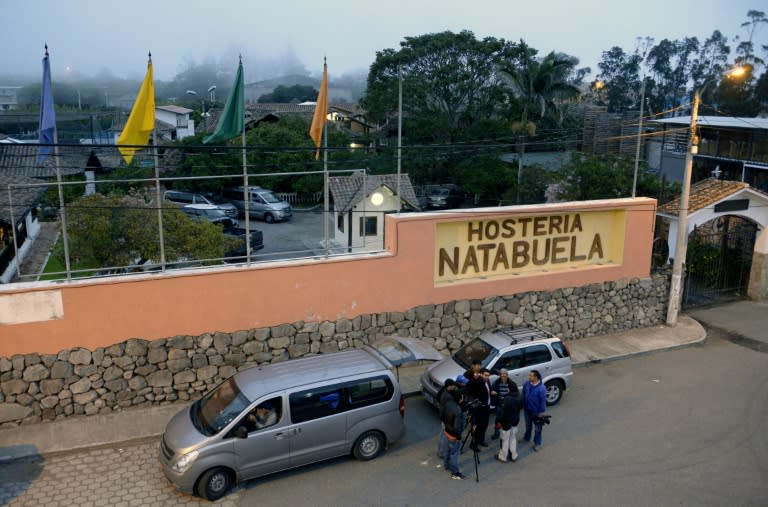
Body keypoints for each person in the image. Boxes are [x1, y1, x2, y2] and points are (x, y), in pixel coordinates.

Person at [441, 387, 467, 480]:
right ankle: (455, 472)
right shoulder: (458, 411)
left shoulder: (448, 404)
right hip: (453, 436)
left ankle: (446, 465)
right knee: (454, 454)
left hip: (446, 432)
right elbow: (457, 427)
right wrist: (458, 437)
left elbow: (442, 416)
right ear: (460, 398)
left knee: (446, 451)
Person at [495, 381, 521, 462]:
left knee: (505, 439)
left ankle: (503, 457)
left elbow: (502, 412)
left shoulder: (507, 398)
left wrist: (498, 421)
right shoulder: (520, 396)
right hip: (515, 420)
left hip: (506, 423)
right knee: (512, 438)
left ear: (509, 389)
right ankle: (513, 455)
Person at [522, 370, 547, 451]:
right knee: (528, 425)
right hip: (527, 409)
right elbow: (523, 393)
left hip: (536, 412)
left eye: (531, 376)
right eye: (529, 375)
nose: (529, 377)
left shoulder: (542, 388)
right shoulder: (527, 383)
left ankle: (537, 443)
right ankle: (526, 438)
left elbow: (543, 401)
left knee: (537, 428)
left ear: (536, 377)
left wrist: (541, 412)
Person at [436, 378, 457, 460]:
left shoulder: (443, 391)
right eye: (453, 386)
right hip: (446, 418)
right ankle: (441, 452)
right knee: (444, 436)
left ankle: (440, 451)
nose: (454, 387)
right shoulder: (447, 396)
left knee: (442, 435)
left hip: (443, 417)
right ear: (449, 386)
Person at [490, 369, 514, 440]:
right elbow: (492, 390)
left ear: (507, 375)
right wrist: (493, 392)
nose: (503, 376)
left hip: (507, 404)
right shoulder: (496, 382)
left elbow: (515, 393)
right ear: (500, 375)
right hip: (499, 404)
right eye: (501, 375)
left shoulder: (511, 383)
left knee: (507, 419)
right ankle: (496, 433)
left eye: (504, 375)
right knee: (498, 419)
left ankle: (507, 433)